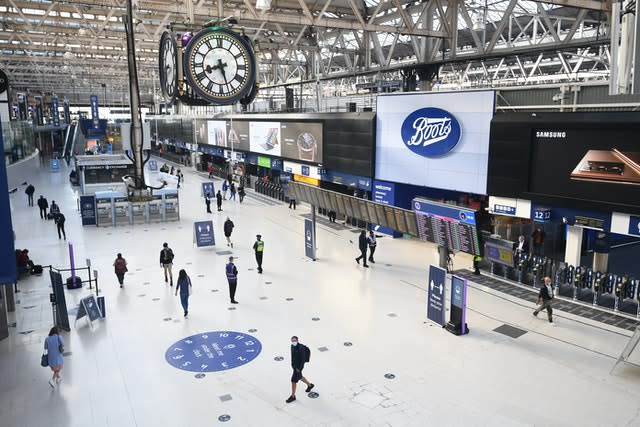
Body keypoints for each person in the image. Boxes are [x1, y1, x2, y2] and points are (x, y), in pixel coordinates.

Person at [285, 335, 314, 403]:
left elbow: (303, 359)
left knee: (293, 380)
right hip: (294, 366)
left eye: (294, 340)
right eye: (292, 341)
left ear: (297, 340)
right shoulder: (292, 346)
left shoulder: (300, 347)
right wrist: (292, 365)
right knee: (300, 377)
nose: (293, 342)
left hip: (298, 367)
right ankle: (310, 385)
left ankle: (293, 396)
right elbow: (293, 356)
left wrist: (299, 368)